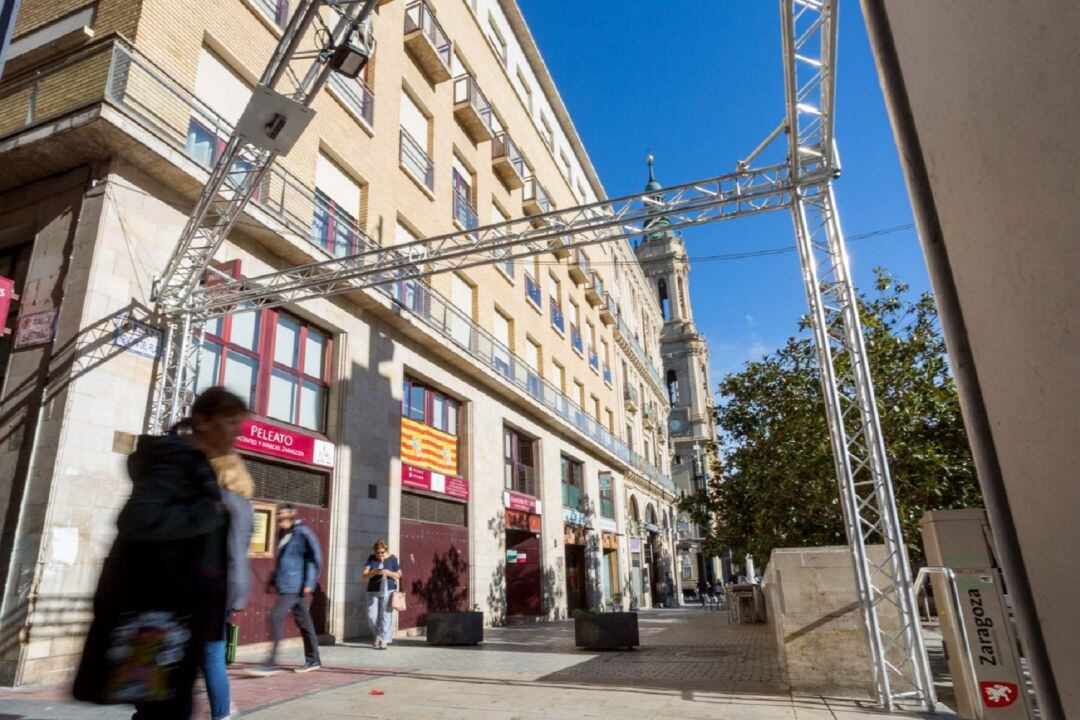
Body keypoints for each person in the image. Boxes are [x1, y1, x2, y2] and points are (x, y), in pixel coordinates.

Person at [73, 386, 247, 720]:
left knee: (164, 707)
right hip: (159, 618)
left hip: (177, 617)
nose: (237, 431)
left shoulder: (196, 466)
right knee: (164, 710)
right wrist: (210, 511)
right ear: (203, 420)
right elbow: (138, 519)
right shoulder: (175, 460)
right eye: (230, 420)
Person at [202, 452, 255, 720]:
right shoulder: (246, 505)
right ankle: (221, 711)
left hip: (211, 582)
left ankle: (221, 712)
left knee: (209, 652)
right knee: (212, 650)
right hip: (232, 583)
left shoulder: (216, 500)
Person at [247, 504, 323, 675]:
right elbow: (283, 561)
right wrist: (273, 580)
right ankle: (314, 659)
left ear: (292, 516)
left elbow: (315, 557)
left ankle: (271, 663)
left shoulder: (302, 532)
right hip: (287, 583)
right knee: (304, 622)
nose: (280, 521)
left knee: (275, 616)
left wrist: (309, 581)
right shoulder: (282, 533)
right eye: (278, 518)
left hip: (295, 585)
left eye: (282, 518)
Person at [362, 540, 402, 649]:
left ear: (386, 551)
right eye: (378, 553)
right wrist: (375, 572)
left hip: (388, 590)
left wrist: (389, 573)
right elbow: (364, 575)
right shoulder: (371, 558)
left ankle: (383, 640)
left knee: (386, 616)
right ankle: (379, 634)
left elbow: (399, 575)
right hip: (373, 590)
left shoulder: (393, 559)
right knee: (371, 616)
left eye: (382, 552)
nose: (380, 555)